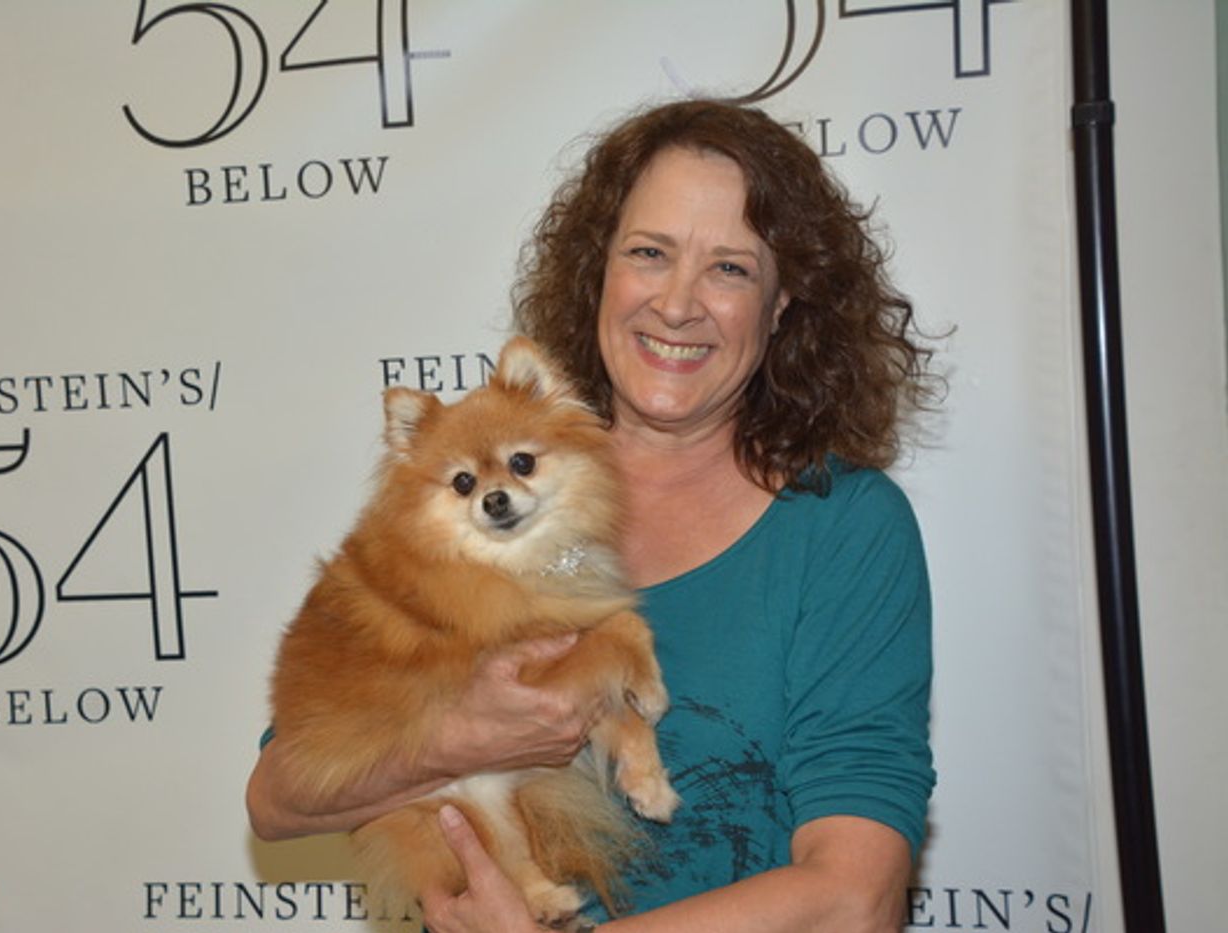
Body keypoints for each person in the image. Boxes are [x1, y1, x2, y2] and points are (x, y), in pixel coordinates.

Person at [246, 98, 938, 933]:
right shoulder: (457, 511)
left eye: (729, 268)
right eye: (650, 253)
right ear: (598, 270)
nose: (678, 304)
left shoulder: (842, 528)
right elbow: (278, 796)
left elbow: (856, 897)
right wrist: (453, 743)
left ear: (783, 303)